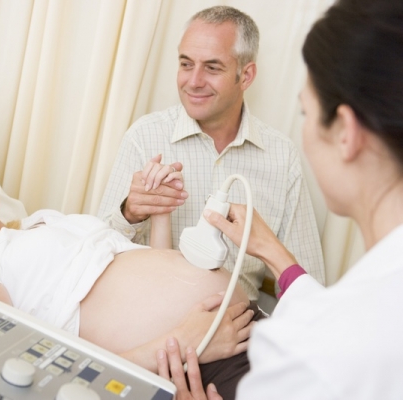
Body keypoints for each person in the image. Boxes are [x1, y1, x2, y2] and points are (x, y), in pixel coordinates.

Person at [0, 125, 264, 398]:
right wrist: (179, 347)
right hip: (197, 371)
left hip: (249, 330)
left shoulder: (43, 221)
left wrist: (161, 208)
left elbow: (138, 271)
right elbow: (20, 366)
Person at [157, 0, 403, 398]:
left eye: (306, 113)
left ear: (346, 132)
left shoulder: (300, 356)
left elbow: (326, 335)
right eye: (186, 63)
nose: (194, 79)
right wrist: (270, 249)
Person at [97, 5, 325, 301]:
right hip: (149, 315)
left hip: (234, 329)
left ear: (246, 76)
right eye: (186, 64)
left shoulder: (282, 158)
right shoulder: (144, 137)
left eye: (213, 67)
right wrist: (130, 213)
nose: (193, 81)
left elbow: (308, 282)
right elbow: (96, 252)